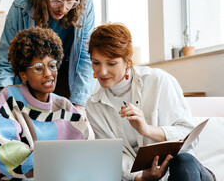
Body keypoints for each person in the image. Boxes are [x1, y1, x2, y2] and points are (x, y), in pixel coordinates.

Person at [85, 23, 216, 181]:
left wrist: (146, 129)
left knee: (183, 162)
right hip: (141, 176)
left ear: (128, 61)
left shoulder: (159, 81)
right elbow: (111, 154)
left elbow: (188, 133)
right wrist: (140, 177)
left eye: (111, 63)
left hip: (182, 171)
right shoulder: (94, 105)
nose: (102, 72)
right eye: (96, 63)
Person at [0, 27, 89, 180]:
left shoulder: (65, 106)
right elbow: (6, 153)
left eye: (52, 65)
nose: (48, 74)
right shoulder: (10, 97)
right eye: (38, 68)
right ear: (23, 75)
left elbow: (86, 149)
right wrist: (55, 162)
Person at [0, 0, 96, 115]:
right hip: (33, 78)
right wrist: (0, 94)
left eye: (70, 2)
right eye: (56, 0)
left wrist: (79, 104)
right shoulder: (21, 6)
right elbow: (7, 60)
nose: (63, 8)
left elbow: (85, 57)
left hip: (67, 77)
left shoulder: (85, 3)